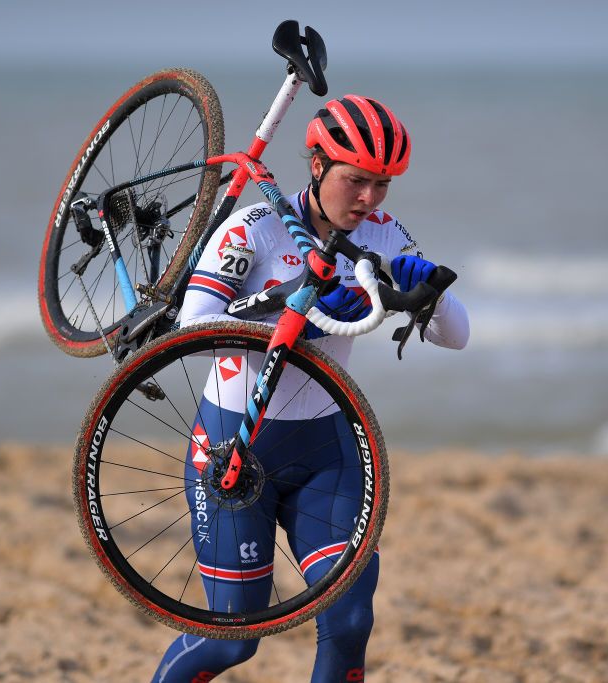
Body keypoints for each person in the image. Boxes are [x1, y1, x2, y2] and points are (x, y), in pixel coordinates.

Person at [152, 94, 469, 683]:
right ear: (318, 165)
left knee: (349, 623)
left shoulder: (382, 232)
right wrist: (302, 312)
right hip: (233, 448)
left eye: (382, 184)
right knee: (232, 643)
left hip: (326, 450)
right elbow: (191, 331)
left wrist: (432, 291)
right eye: (356, 181)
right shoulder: (255, 227)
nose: (369, 199)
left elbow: (459, 337)